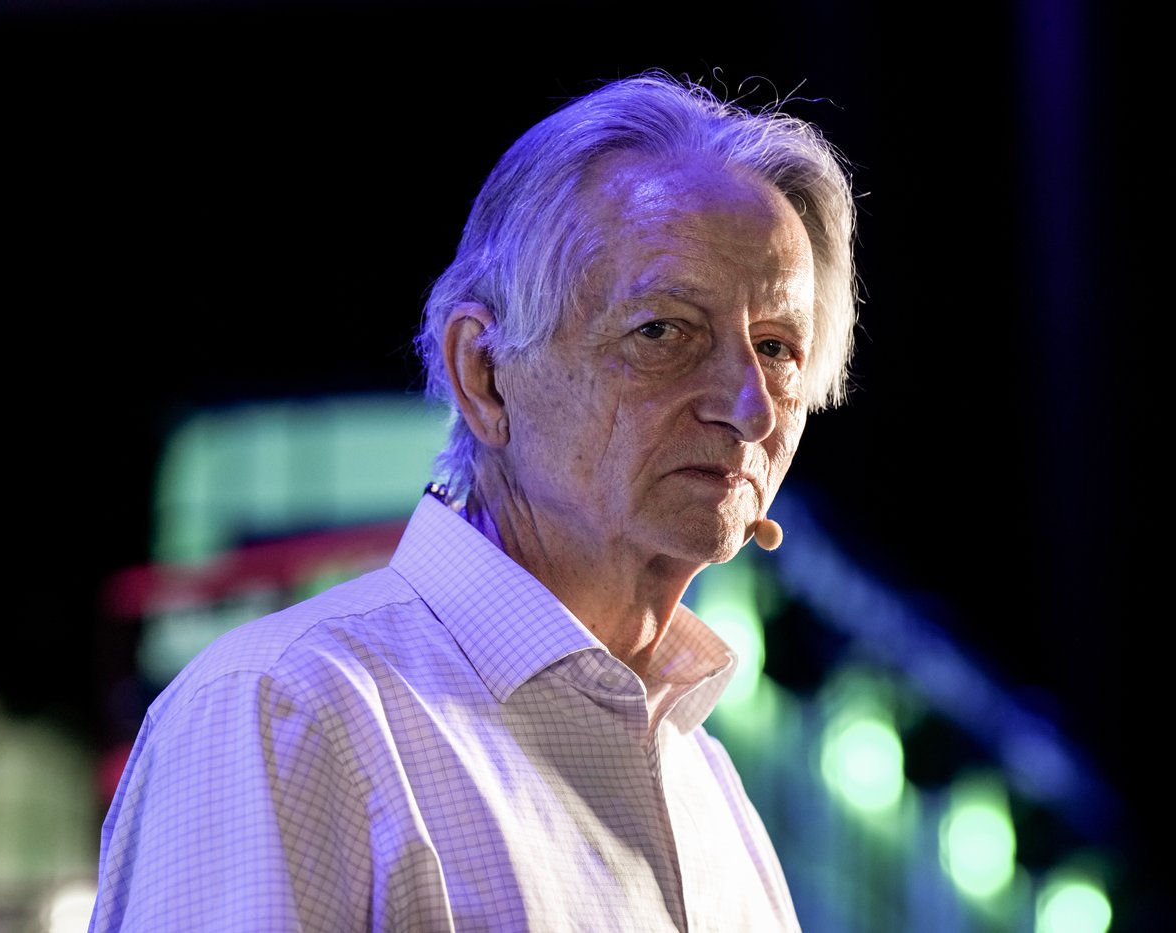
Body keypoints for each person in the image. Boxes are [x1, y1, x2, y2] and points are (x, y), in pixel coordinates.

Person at [89, 71, 857, 932]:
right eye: (663, 331)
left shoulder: (712, 792)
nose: (750, 408)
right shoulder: (284, 710)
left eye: (777, 348)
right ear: (484, 374)